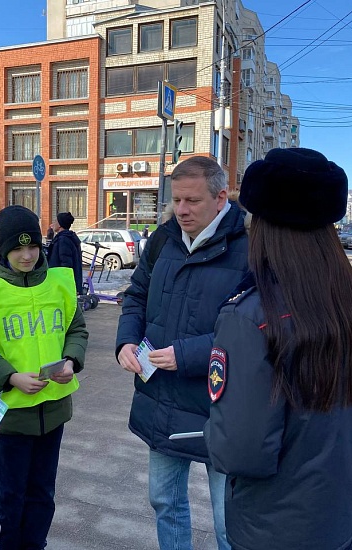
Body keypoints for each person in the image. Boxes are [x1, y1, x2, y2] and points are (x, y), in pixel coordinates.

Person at [205, 147, 352, 550]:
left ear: (261, 228)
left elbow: (240, 450)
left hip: (270, 527)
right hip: (337, 519)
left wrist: (211, 429)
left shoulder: (252, 316)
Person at [116, 156, 248, 550]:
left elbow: (257, 331)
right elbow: (136, 295)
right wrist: (125, 341)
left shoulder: (251, 246)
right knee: (164, 501)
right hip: (163, 400)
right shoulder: (163, 239)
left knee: (230, 521)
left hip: (223, 406)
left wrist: (188, 355)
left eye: (192, 200)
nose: (182, 210)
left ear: (221, 196)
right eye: (176, 200)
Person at [0, 205, 88, 550]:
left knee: (43, 493)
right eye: (17, 248)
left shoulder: (60, 282)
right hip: (11, 415)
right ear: (3, 250)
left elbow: (77, 330)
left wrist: (71, 360)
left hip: (54, 411)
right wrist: (11, 377)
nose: (27, 255)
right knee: (10, 495)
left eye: (32, 246)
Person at [47, 211, 83, 295]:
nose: (53, 224)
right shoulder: (68, 237)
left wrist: (66, 285)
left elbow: (66, 264)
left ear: (60, 225)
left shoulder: (63, 239)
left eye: (55, 221)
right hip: (64, 283)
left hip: (62, 283)